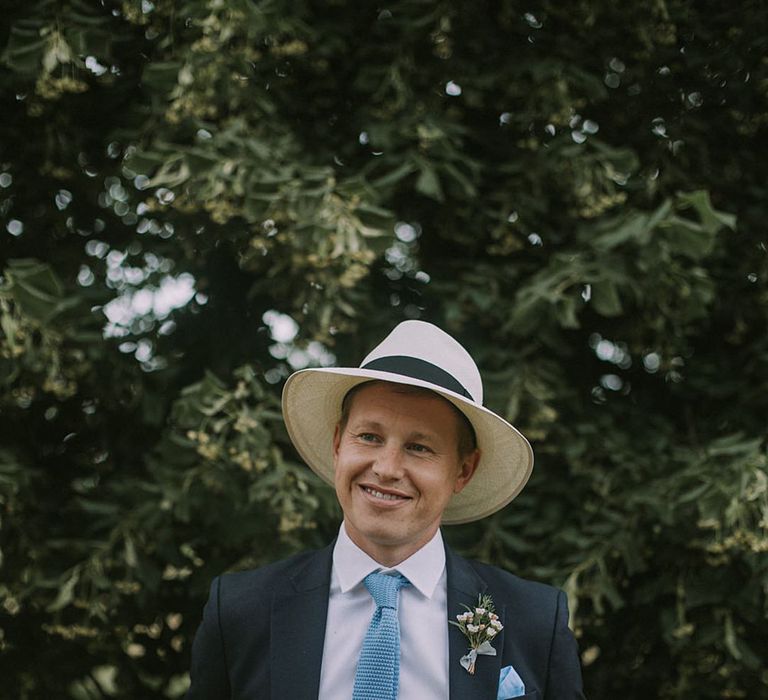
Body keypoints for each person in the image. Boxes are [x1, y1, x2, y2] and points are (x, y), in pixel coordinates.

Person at [186, 320, 586, 699]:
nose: (387, 468)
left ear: (463, 470)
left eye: (419, 447)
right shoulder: (241, 611)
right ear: (339, 442)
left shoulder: (534, 622)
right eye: (369, 436)